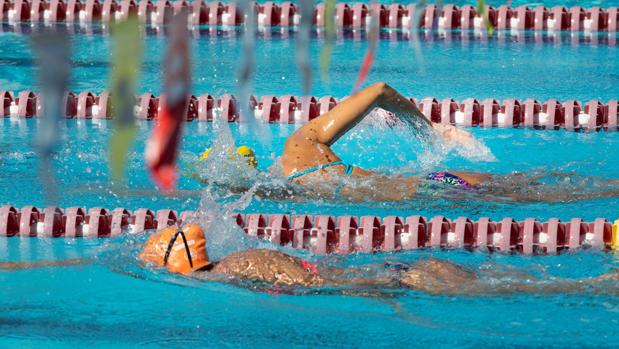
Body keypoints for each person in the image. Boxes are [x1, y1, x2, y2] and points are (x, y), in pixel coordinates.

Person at [198, 83, 619, 203]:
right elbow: (380, 89)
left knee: (548, 196)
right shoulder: (300, 147)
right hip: (439, 179)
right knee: (551, 184)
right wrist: (428, 132)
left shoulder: (289, 190)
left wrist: (433, 133)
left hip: (434, 192)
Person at [3, 224, 617, 296]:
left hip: (403, 279)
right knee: (527, 279)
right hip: (402, 270)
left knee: (556, 292)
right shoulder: (242, 256)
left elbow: (305, 286)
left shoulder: (235, 271)